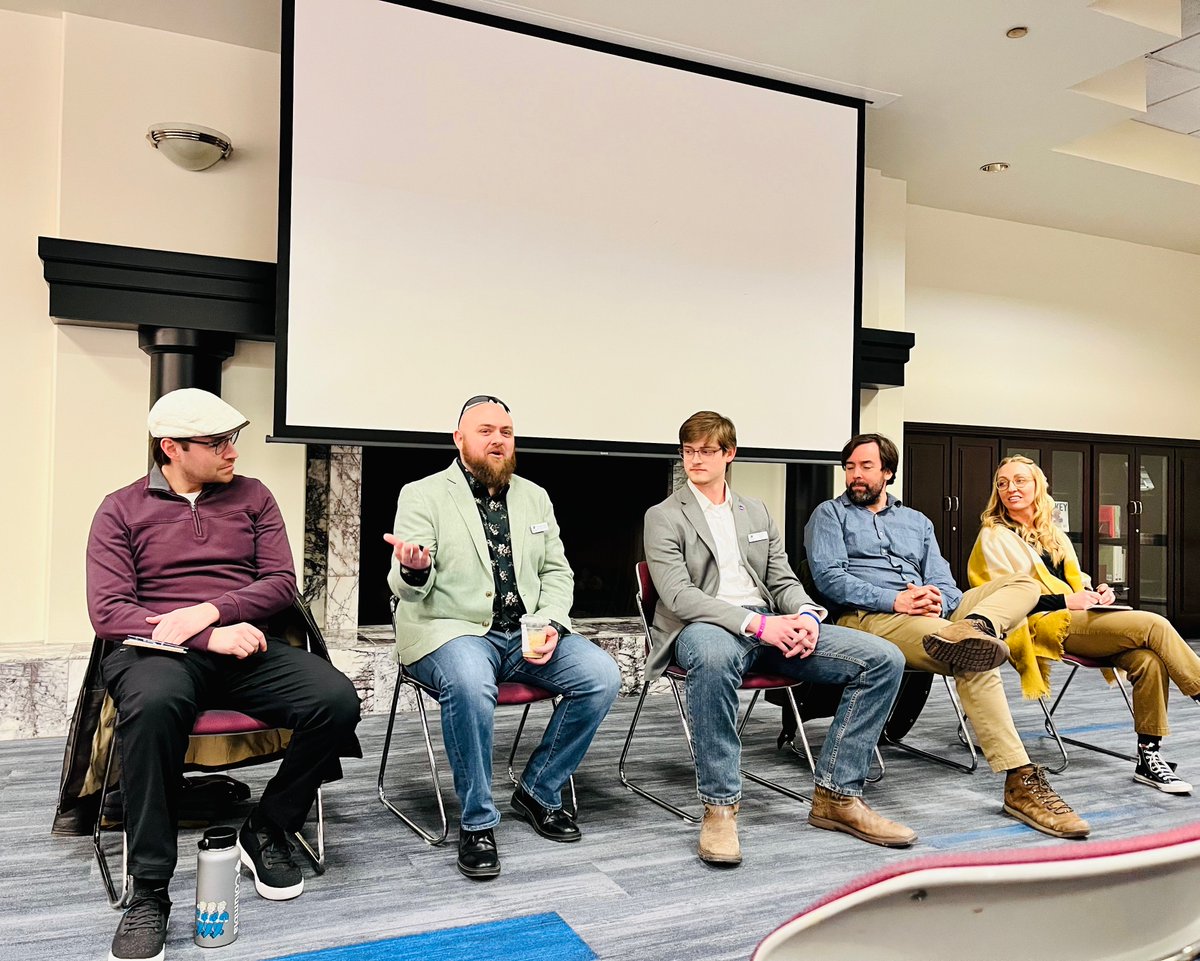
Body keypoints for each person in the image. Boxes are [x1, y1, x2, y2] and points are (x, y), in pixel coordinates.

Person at [87, 388, 362, 961]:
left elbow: (281, 582)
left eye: (232, 438)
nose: (232, 451)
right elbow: (109, 611)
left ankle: (265, 827)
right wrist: (202, 633)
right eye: (216, 443)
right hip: (157, 656)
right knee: (155, 708)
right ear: (171, 448)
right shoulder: (120, 509)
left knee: (334, 699)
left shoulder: (254, 497)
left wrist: (214, 612)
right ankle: (151, 890)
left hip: (242, 647)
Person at [643, 411, 914, 864]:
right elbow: (679, 595)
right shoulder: (664, 516)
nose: (695, 459)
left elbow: (782, 579)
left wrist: (806, 615)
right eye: (688, 451)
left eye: (707, 451)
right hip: (704, 626)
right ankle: (720, 807)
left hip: (770, 623)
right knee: (711, 659)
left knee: (883, 658)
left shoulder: (757, 511)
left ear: (729, 454)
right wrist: (758, 626)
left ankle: (837, 796)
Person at [805, 433, 1091, 839]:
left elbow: (945, 581)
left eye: (866, 467)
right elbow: (830, 580)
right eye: (850, 467)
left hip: (934, 615)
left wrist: (939, 599)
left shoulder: (916, 521)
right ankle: (1019, 779)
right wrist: (898, 600)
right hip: (869, 617)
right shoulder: (830, 515)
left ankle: (978, 626)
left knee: (1022, 586)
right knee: (970, 654)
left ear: (887, 472)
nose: (855, 475)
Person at [386, 394, 620, 880]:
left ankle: (538, 789)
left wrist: (553, 622)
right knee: (471, 684)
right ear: (459, 439)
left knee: (601, 674)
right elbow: (407, 586)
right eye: (486, 430)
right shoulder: (423, 493)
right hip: (449, 630)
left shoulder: (535, 496)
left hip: (526, 632)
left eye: (506, 432)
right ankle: (476, 822)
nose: (498, 439)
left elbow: (558, 572)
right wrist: (414, 568)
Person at [970, 455, 1200, 794]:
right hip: (1043, 625)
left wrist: (1095, 592)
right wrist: (1067, 601)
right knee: (1155, 624)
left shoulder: (1052, 533)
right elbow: (1003, 599)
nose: (1010, 488)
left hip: (1079, 616)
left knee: (1148, 661)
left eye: (1020, 480)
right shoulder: (994, 536)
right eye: (1002, 483)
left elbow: (1073, 582)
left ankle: (1148, 758)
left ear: (1037, 486)